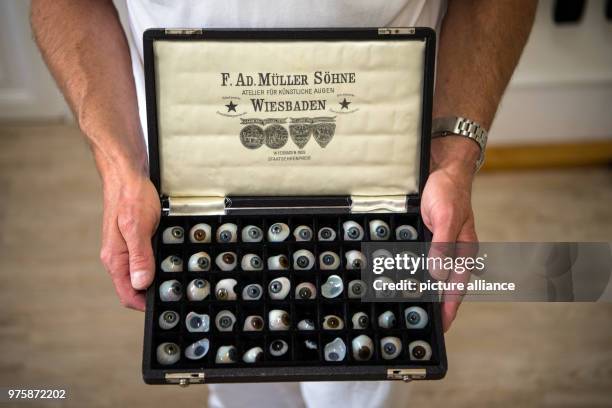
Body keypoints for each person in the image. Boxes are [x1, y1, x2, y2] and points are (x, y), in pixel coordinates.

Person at [31, 0, 536, 407]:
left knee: (359, 390)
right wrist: (118, 165)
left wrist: (454, 156)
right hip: (196, 179)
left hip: (379, 177)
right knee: (236, 383)